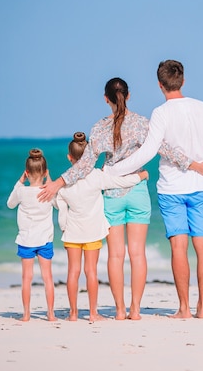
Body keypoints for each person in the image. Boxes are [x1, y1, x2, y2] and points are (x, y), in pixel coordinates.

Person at [38, 77, 203, 320]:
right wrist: (195, 165)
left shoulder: (99, 128)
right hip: (137, 191)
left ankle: (119, 311)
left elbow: (85, 165)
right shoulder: (142, 124)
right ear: (128, 96)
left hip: (112, 195)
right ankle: (135, 310)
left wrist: (58, 183)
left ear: (106, 99)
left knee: (116, 255)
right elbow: (166, 150)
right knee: (137, 254)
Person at [104, 59, 203, 319]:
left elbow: (148, 152)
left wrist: (114, 171)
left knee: (178, 248)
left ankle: (184, 308)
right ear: (182, 80)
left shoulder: (161, 113)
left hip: (171, 189)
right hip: (201, 187)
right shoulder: (202, 108)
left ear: (160, 85)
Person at [57, 132, 148, 322]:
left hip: (72, 235)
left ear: (69, 157)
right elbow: (119, 182)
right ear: (91, 155)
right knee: (91, 271)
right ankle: (93, 313)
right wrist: (140, 177)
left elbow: (61, 209)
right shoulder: (97, 176)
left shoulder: (64, 184)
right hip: (92, 234)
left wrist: (64, 227)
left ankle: (73, 314)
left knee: (73, 272)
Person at [7, 148, 57, 322]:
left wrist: (20, 181)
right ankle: (51, 314)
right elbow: (58, 204)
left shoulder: (21, 192)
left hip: (26, 241)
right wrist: (50, 181)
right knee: (47, 277)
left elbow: (10, 204)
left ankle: (26, 314)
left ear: (26, 173)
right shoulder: (48, 192)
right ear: (44, 173)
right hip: (45, 241)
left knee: (26, 279)